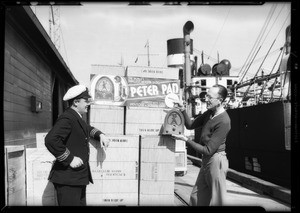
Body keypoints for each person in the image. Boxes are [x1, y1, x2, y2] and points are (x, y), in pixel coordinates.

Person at [45, 84, 109, 206]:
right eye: (86, 101)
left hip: (76, 178)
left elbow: (87, 128)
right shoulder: (67, 118)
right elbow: (51, 140)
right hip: (68, 179)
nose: (88, 104)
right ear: (75, 102)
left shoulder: (76, 117)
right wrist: (70, 158)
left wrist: (100, 135)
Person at [172, 84, 231, 206]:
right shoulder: (209, 113)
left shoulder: (224, 121)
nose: (206, 99)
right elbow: (190, 125)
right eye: (206, 96)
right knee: (197, 197)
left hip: (216, 161)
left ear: (220, 101)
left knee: (218, 200)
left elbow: (208, 150)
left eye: (210, 97)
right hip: (207, 161)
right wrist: (182, 108)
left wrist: (186, 139)